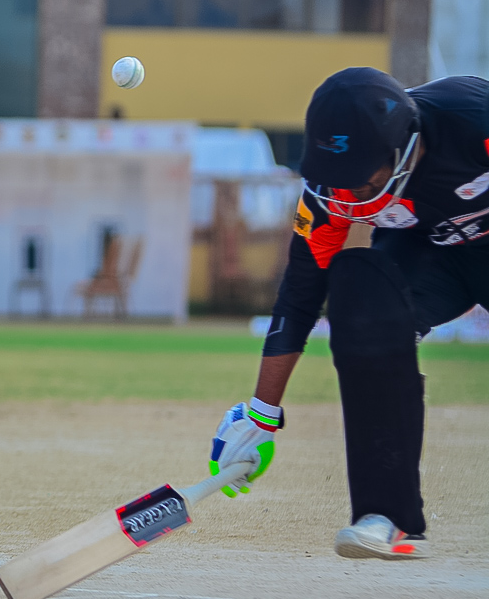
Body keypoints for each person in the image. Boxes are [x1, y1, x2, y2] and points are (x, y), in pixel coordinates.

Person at [210, 67, 489, 559]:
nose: (347, 193)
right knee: (360, 293)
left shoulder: (475, 121)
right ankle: (387, 515)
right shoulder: (333, 187)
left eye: (361, 177)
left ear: (403, 148)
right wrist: (261, 415)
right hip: (426, 253)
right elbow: (300, 294)